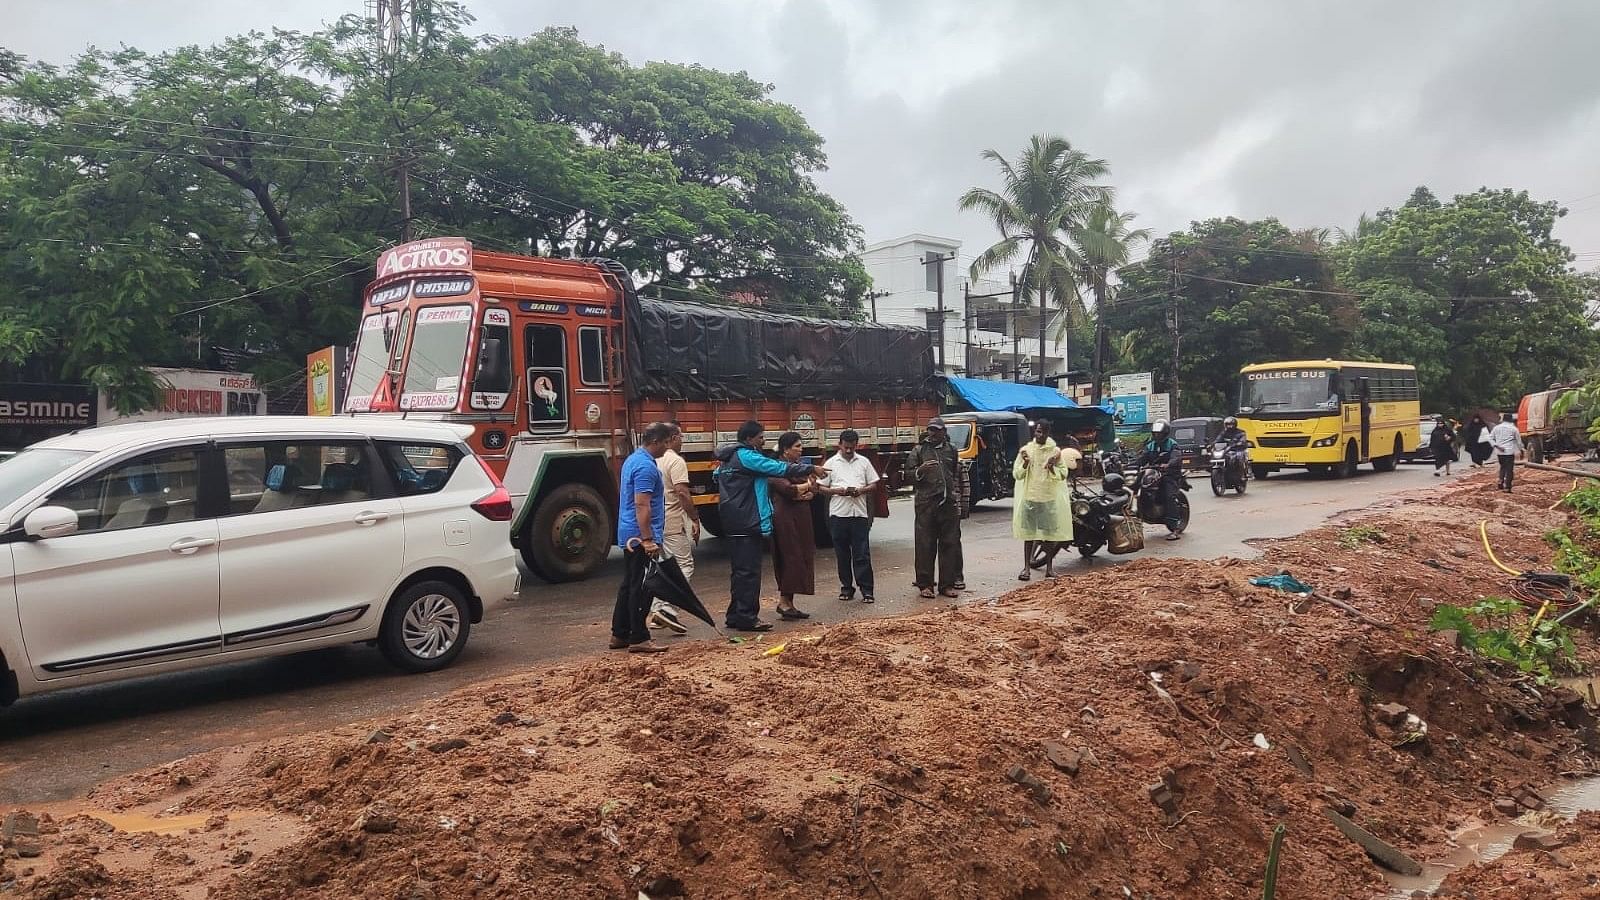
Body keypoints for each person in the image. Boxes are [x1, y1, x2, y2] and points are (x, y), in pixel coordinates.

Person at [714, 421, 824, 632]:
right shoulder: (748, 457)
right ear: (749, 439)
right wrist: (811, 467)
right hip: (749, 520)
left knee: (739, 571)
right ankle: (748, 617)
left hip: (733, 519)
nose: (764, 441)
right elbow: (778, 468)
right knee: (749, 572)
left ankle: (735, 614)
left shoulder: (727, 459)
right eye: (760, 437)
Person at [610, 422, 676, 654]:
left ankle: (620, 633)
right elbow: (642, 504)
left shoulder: (633, 460)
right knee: (642, 586)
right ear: (656, 441)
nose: (668, 448)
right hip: (639, 536)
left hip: (629, 532)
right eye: (666, 442)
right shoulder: (646, 467)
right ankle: (639, 636)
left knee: (629, 583)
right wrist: (648, 539)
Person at [647, 423, 699, 635]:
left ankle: (657, 610)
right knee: (684, 566)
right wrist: (694, 517)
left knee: (662, 567)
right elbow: (682, 493)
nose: (682, 441)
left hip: (655, 521)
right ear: (673, 437)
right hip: (673, 521)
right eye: (681, 437)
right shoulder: (675, 461)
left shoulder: (651, 459)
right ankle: (668, 608)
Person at [817, 429, 879, 603]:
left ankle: (867, 590)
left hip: (859, 514)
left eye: (852, 447)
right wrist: (836, 491)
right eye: (846, 448)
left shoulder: (864, 462)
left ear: (856, 445)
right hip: (838, 514)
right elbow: (820, 488)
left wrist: (861, 490)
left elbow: (873, 485)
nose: (849, 451)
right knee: (842, 555)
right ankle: (846, 588)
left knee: (862, 554)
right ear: (840, 445)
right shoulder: (831, 463)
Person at [905, 418, 963, 598]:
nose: (933, 433)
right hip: (926, 504)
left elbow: (954, 472)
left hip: (948, 504)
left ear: (944, 432)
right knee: (925, 545)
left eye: (936, 430)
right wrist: (920, 470)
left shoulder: (952, 450)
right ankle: (925, 585)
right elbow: (907, 476)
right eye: (930, 430)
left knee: (949, 544)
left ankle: (947, 585)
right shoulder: (919, 450)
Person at [1013, 420, 1074, 580]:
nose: (1038, 434)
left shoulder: (1055, 452)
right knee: (1029, 536)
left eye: (1042, 432)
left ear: (1047, 433)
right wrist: (1025, 464)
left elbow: (1063, 474)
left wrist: (1052, 466)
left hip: (1048, 499)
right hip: (1030, 498)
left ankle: (1049, 568)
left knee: (1049, 537)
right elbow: (1017, 474)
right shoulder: (1026, 451)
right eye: (1037, 431)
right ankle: (1026, 568)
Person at [768, 432, 818, 620]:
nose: (800, 449)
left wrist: (808, 491)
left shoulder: (797, 468)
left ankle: (789, 602)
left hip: (800, 518)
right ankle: (784, 602)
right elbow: (788, 489)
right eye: (797, 446)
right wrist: (806, 486)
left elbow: (814, 488)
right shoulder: (776, 468)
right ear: (785, 449)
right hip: (785, 520)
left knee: (802, 555)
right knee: (790, 556)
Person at [1137, 420, 1185, 540]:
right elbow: (1142, 458)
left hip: (1169, 474)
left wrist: (1168, 464)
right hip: (1153, 473)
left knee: (1169, 496)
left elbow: (1176, 457)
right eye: (1155, 433)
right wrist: (1127, 465)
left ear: (1166, 433)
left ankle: (1175, 528)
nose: (1157, 436)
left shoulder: (1172, 444)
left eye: (1160, 434)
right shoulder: (1150, 445)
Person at [1488, 412, 1525, 492]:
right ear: (1511, 420)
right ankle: (1507, 486)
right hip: (1509, 452)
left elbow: (1490, 438)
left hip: (1499, 452)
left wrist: (1496, 445)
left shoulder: (1496, 428)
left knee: (1502, 467)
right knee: (1509, 469)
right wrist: (1521, 449)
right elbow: (1518, 442)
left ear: (1503, 419)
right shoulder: (1514, 429)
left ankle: (1501, 480)